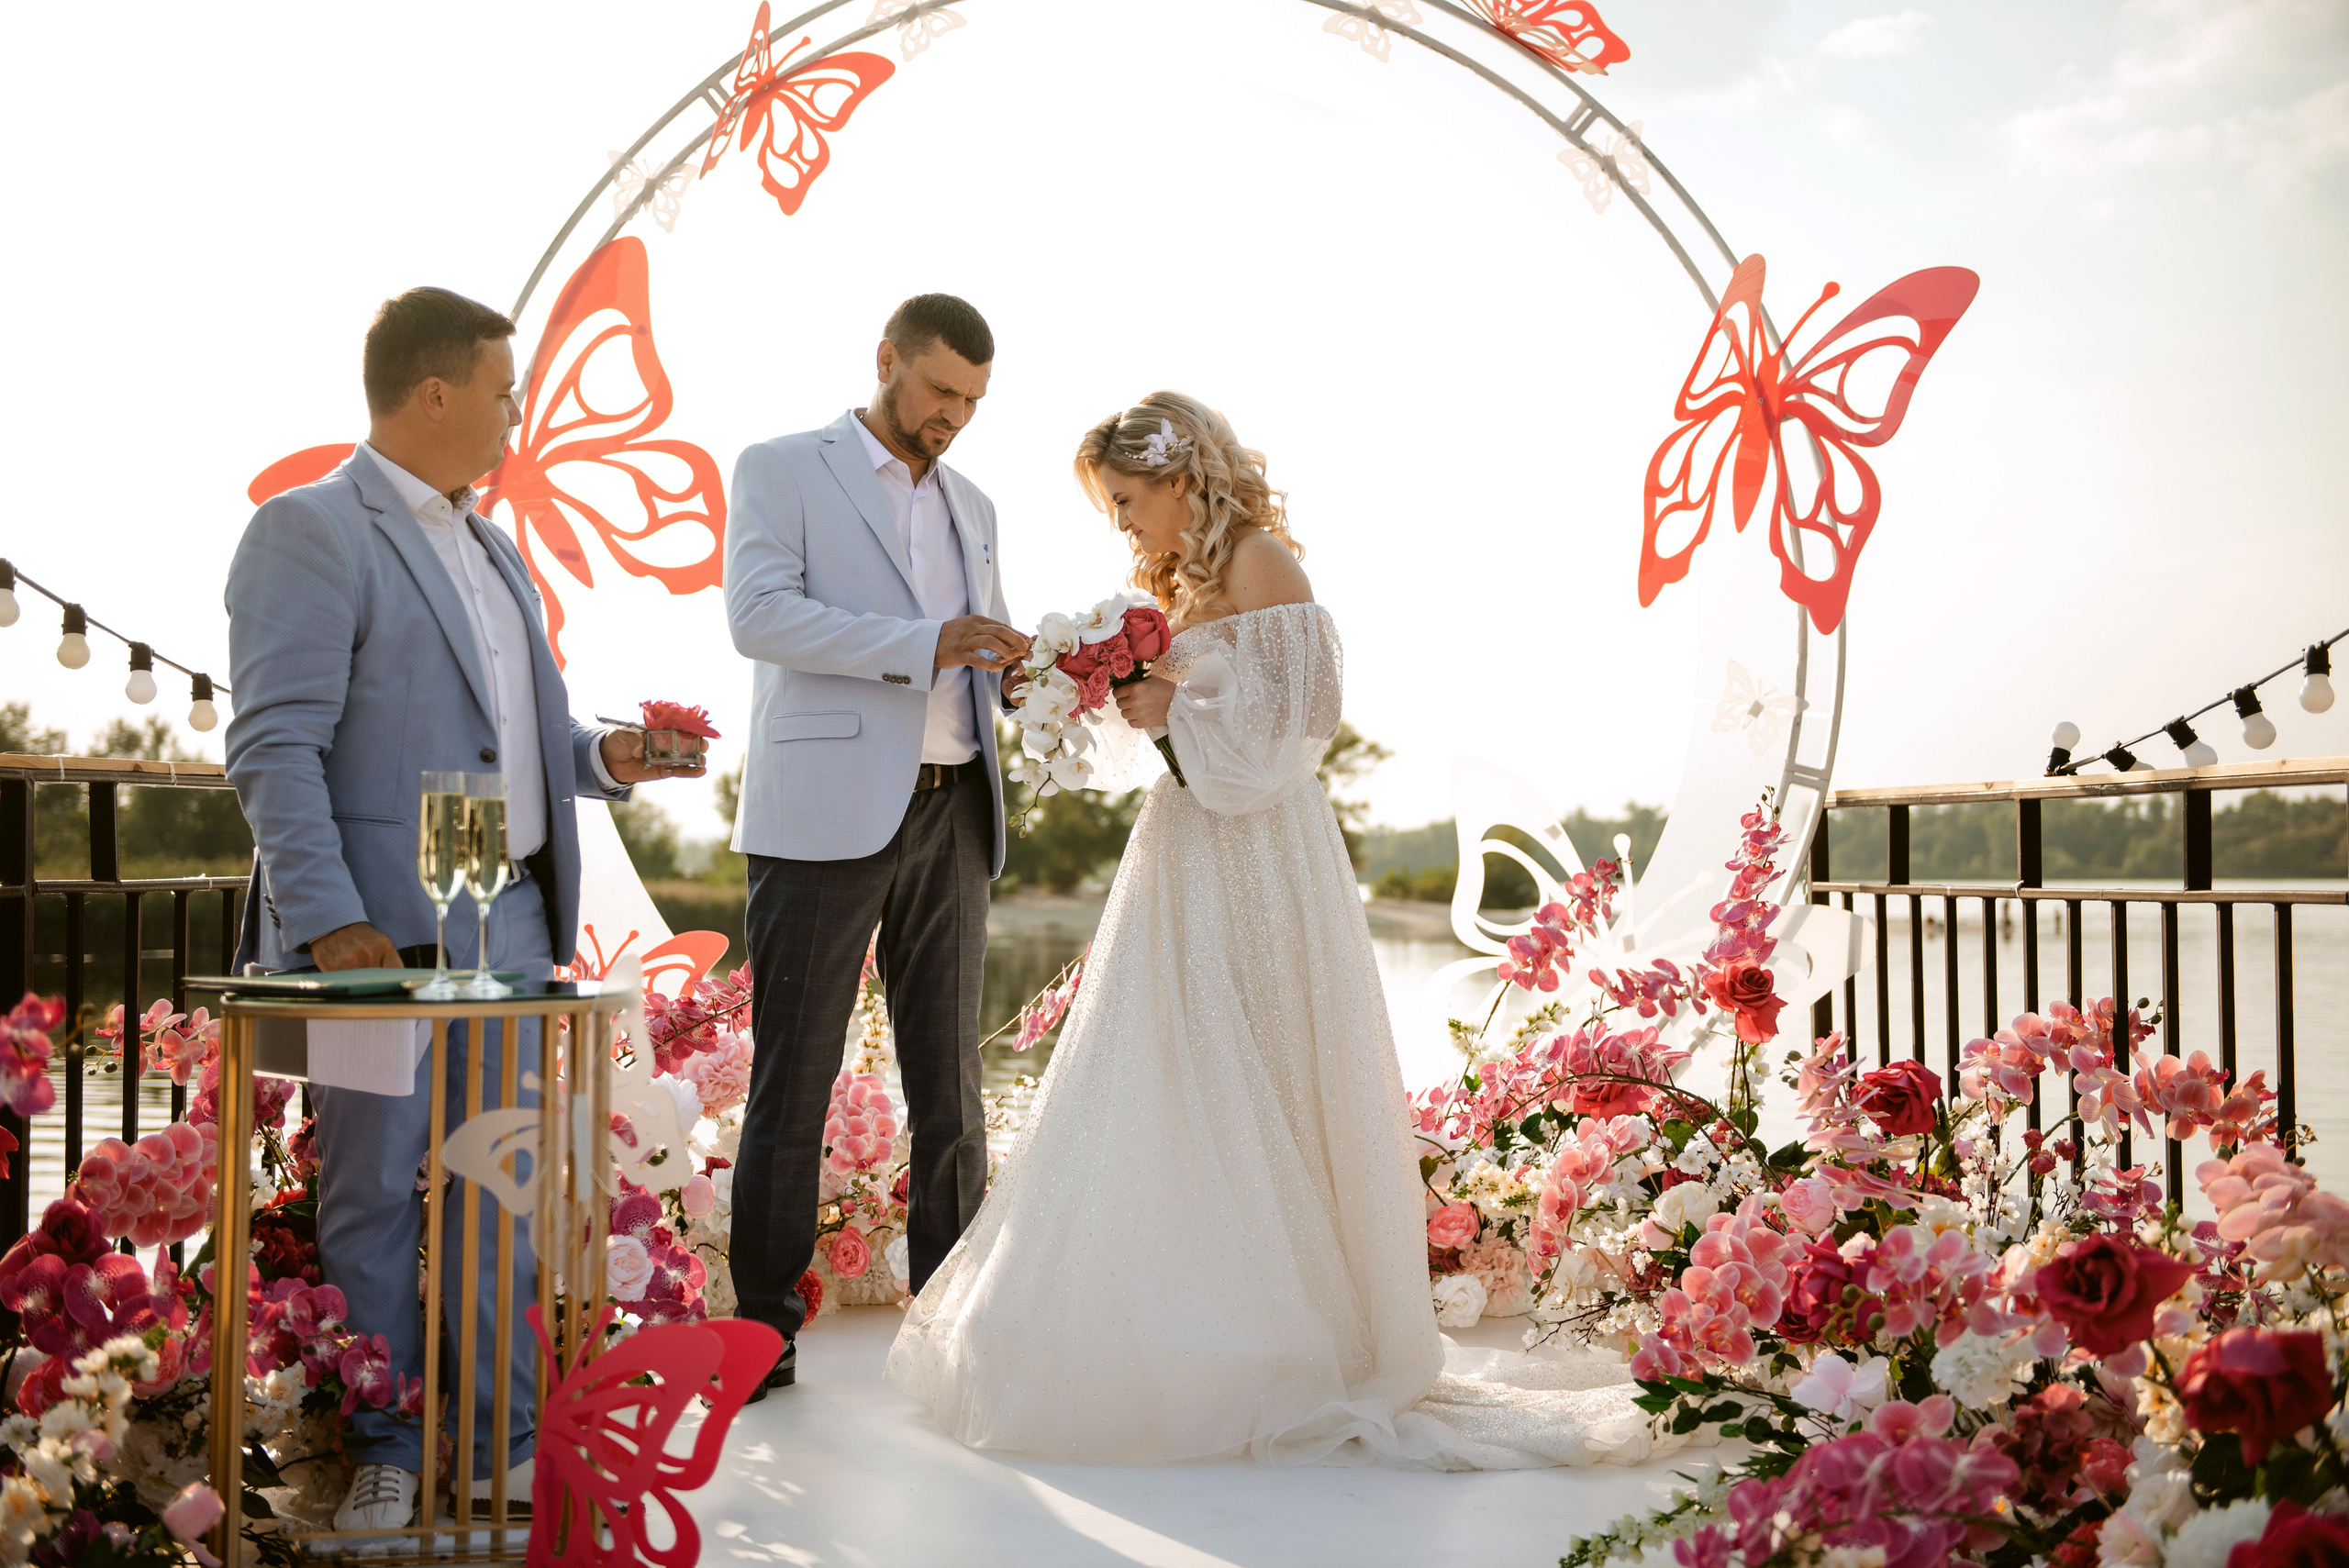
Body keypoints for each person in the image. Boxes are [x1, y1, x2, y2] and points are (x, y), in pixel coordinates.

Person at [885, 393, 1679, 1470]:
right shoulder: (1182, 585)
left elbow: (1302, 726)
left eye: (1127, 502)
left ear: (1178, 478)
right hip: (1185, 840)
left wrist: (1173, 710)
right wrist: (1117, 695)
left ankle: (1282, 1331)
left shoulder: (1264, 565)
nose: (1124, 528)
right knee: (1167, 1055)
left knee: (1254, 1051)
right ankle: (1178, 1311)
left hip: (1258, 847)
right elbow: (1197, 720)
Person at [223, 287, 707, 1530]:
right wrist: (329, 918)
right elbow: (275, 744)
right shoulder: (308, 531)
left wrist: (616, 756)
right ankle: (384, 1443)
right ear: (432, 393)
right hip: (375, 942)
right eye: (503, 389)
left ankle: (498, 1452)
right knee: (375, 1193)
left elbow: (532, 736)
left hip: (507, 933)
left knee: (502, 1188)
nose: (516, 413)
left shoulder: (495, 546)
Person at [723, 294, 1028, 1399]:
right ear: (887, 360)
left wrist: (1041, 664)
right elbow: (759, 615)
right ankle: (761, 1331)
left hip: (956, 807)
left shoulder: (977, 504)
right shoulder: (781, 466)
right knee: (791, 1079)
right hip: (822, 814)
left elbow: (972, 648)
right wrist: (922, 642)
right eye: (942, 390)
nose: (955, 415)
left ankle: (946, 1333)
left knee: (950, 1084)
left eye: (974, 401)